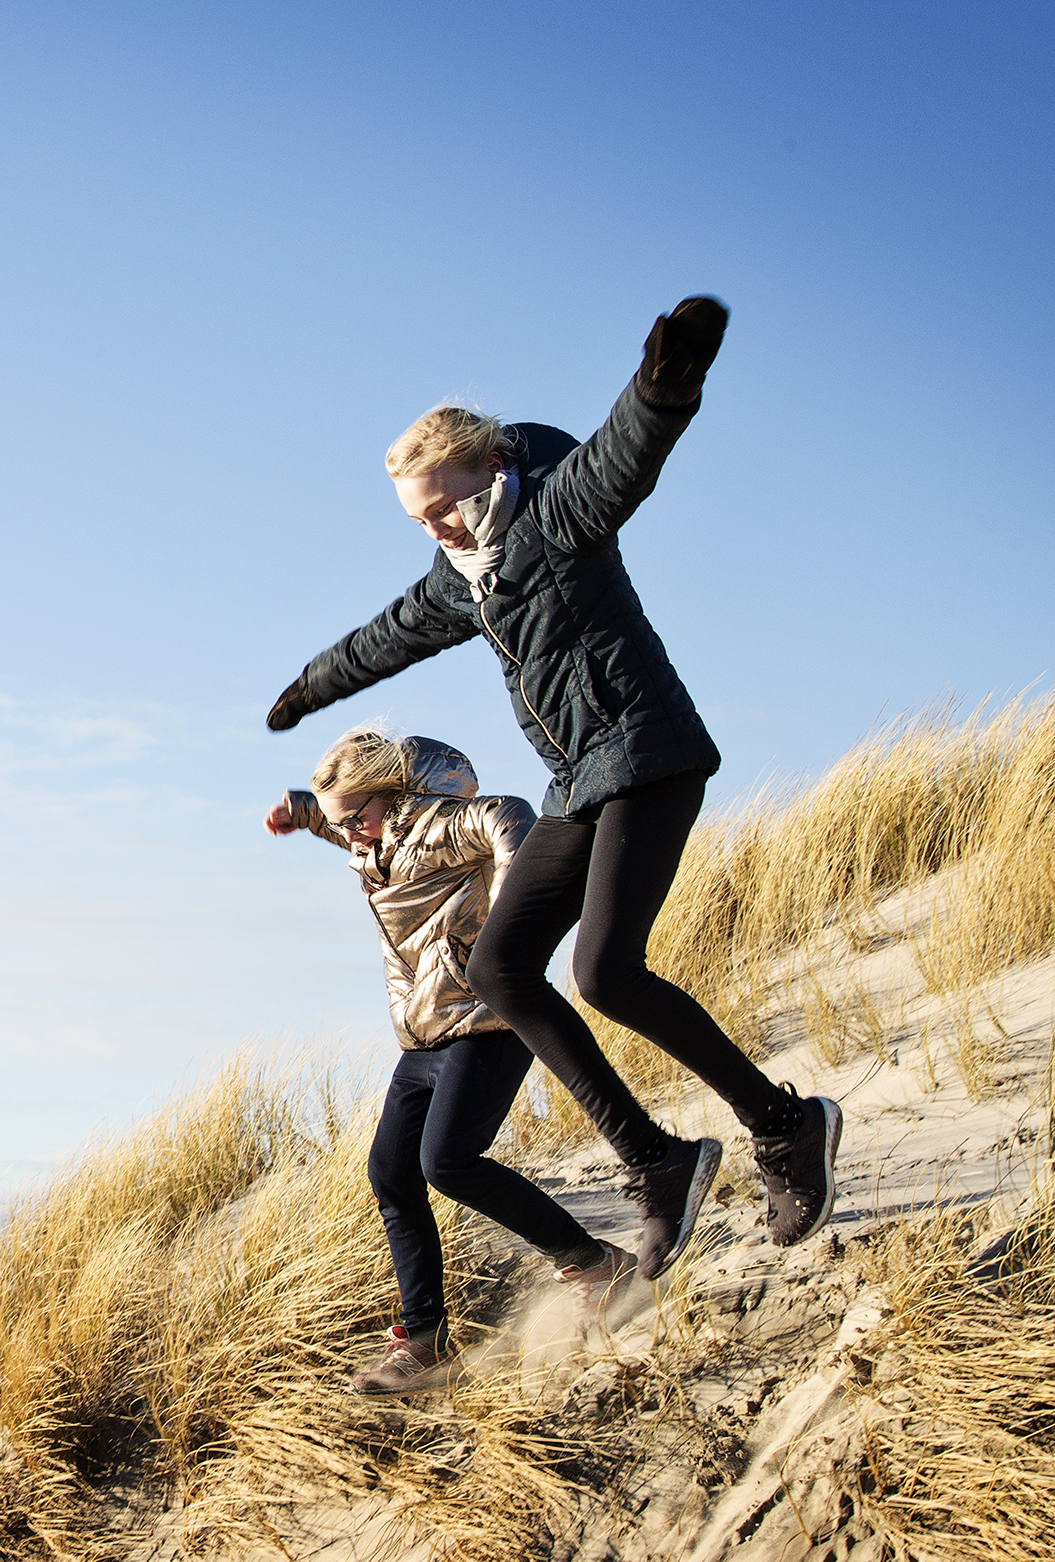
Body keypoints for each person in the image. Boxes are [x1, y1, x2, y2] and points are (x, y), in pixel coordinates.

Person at [263, 297, 840, 1284]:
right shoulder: (463, 577)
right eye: (419, 518)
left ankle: (784, 1125)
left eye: (444, 504)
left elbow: (627, 449)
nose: (437, 527)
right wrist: (307, 689)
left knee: (607, 971)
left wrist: (667, 378)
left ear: (490, 467)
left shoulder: (558, 510)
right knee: (500, 967)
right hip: (579, 779)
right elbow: (384, 636)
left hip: (650, 752)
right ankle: (658, 1159)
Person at [269, 727, 632, 1396]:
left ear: (395, 796)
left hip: (486, 1023)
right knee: (390, 1172)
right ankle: (425, 1341)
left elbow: (508, 814)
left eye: (357, 816)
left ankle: (591, 1262)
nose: (349, 832)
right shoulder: (375, 840)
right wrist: (301, 809)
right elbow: (340, 817)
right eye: (342, 820)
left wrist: (514, 899)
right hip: (423, 1034)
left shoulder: (441, 825)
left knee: (448, 1163)